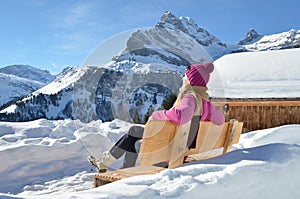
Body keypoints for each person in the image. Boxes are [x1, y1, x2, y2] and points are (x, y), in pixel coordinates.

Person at [88, 62, 225, 173]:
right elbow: (221, 120)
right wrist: (203, 117)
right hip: (181, 150)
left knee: (132, 138)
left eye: (186, 77)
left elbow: (181, 117)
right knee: (134, 131)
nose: (184, 79)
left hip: (168, 153)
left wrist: (158, 114)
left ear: (191, 81)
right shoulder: (205, 103)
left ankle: (116, 167)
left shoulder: (190, 97)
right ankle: (112, 165)